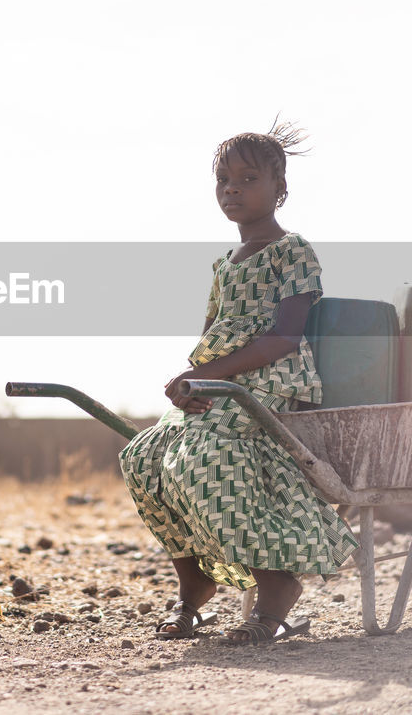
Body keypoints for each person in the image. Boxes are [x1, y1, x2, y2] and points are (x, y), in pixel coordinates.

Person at [119, 123, 358, 644]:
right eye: (223, 179)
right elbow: (211, 336)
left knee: (205, 456)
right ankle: (196, 582)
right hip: (221, 381)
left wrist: (204, 376)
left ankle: (277, 589)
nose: (232, 189)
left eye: (248, 178)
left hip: (269, 381)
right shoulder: (223, 265)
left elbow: (283, 339)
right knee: (143, 457)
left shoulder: (292, 251)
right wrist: (192, 381)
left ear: (279, 188)